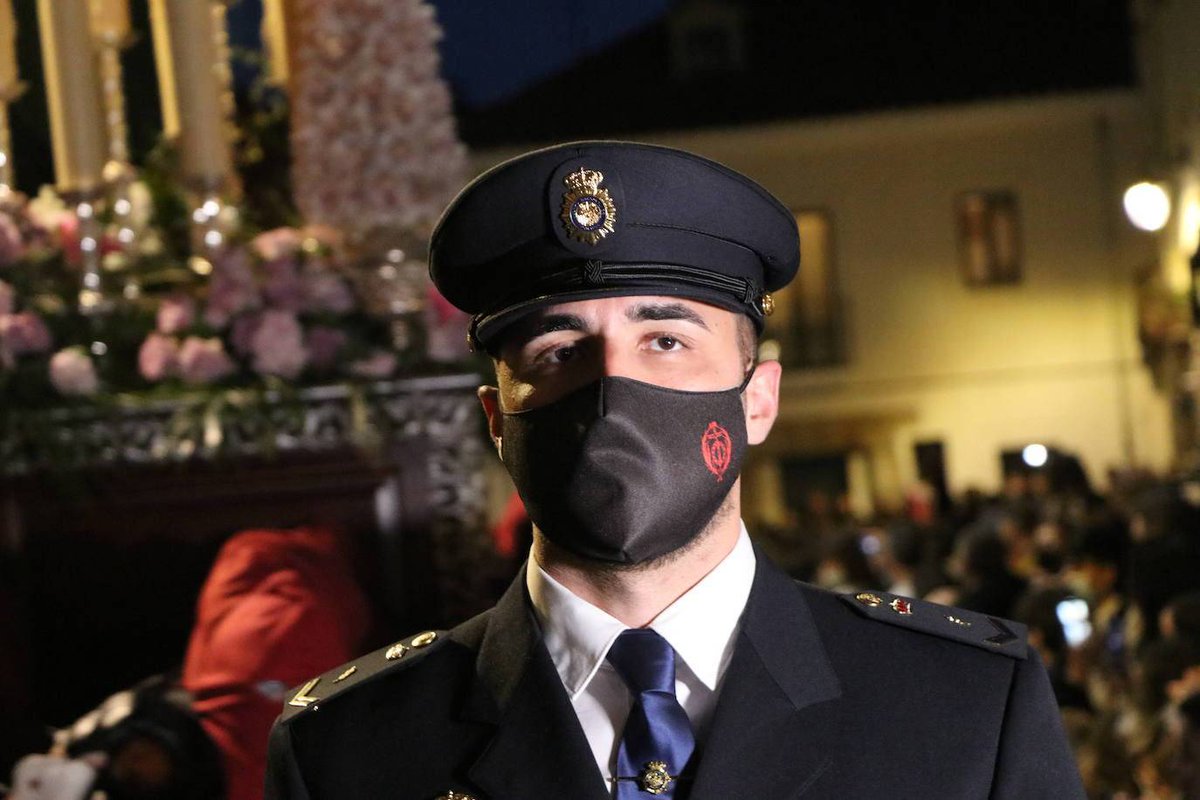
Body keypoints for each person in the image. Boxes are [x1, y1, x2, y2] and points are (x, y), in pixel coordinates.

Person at [264, 141, 1084, 798]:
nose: (613, 392)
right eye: (559, 351)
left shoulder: (962, 704)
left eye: (667, 341)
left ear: (757, 401)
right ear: (497, 422)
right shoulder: (350, 751)